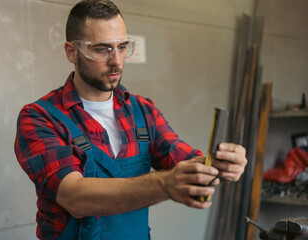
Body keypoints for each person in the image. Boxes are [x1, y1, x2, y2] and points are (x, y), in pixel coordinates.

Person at [14, 0, 247, 239]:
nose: (116, 60)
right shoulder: (40, 117)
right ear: (72, 52)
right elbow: (75, 197)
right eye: (102, 49)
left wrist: (217, 164)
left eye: (122, 47)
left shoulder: (143, 111)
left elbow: (184, 159)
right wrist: (164, 185)